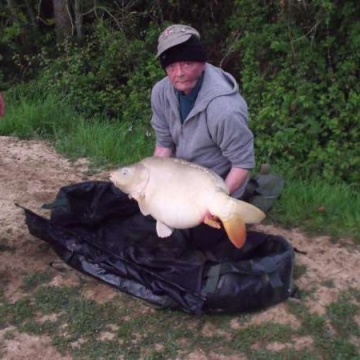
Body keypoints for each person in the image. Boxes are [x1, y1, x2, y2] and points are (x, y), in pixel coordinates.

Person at [151, 24, 255, 199]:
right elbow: (164, 145)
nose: (179, 73)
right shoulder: (160, 92)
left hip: (218, 184)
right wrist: (154, 185)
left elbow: (242, 163)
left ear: (202, 63)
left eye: (187, 63)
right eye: (171, 67)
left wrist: (217, 200)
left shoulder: (224, 108)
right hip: (181, 178)